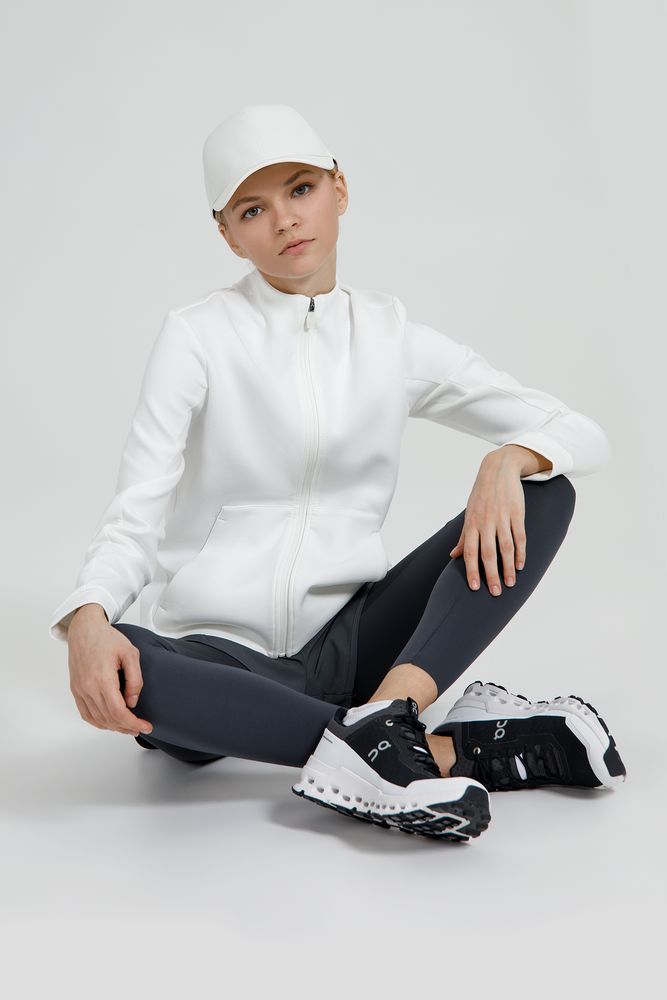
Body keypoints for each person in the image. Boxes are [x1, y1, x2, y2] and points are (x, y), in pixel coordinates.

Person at [50, 104, 626, 844]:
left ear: (339, 189)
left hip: (353, 645)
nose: (285, 220)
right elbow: (136, 513)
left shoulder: (391, 339)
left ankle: (387, 716)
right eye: (252, 209)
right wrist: (88, 618)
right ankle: (436, 747)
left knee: (544, 491)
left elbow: (580, 432)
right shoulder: (196, 337)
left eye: (301, 189)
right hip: (216, 656)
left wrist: (507, 459)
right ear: (227, 233)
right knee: (135, 671)